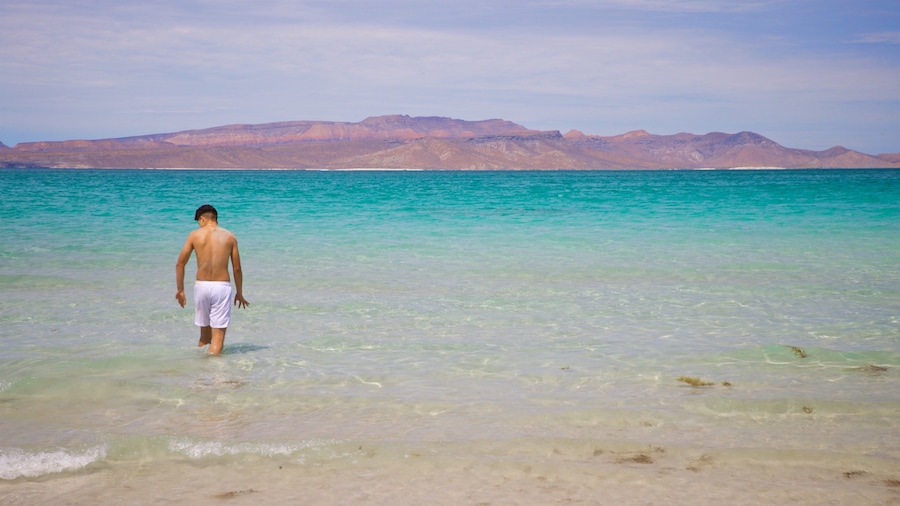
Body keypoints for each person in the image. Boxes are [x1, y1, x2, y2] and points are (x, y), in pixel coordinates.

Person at [175, 204, 249, 355]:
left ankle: (202, 374)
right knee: (218, 339)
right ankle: (215, 373)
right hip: (221, 287)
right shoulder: (230, 236)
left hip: (201, 286)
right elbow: (237, 268)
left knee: (204, 336)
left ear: (202, 219)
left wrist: (180, 290)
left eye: (198, 222)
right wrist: (239, 292)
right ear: (215, 218)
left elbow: (180, 263)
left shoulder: (194, 235)